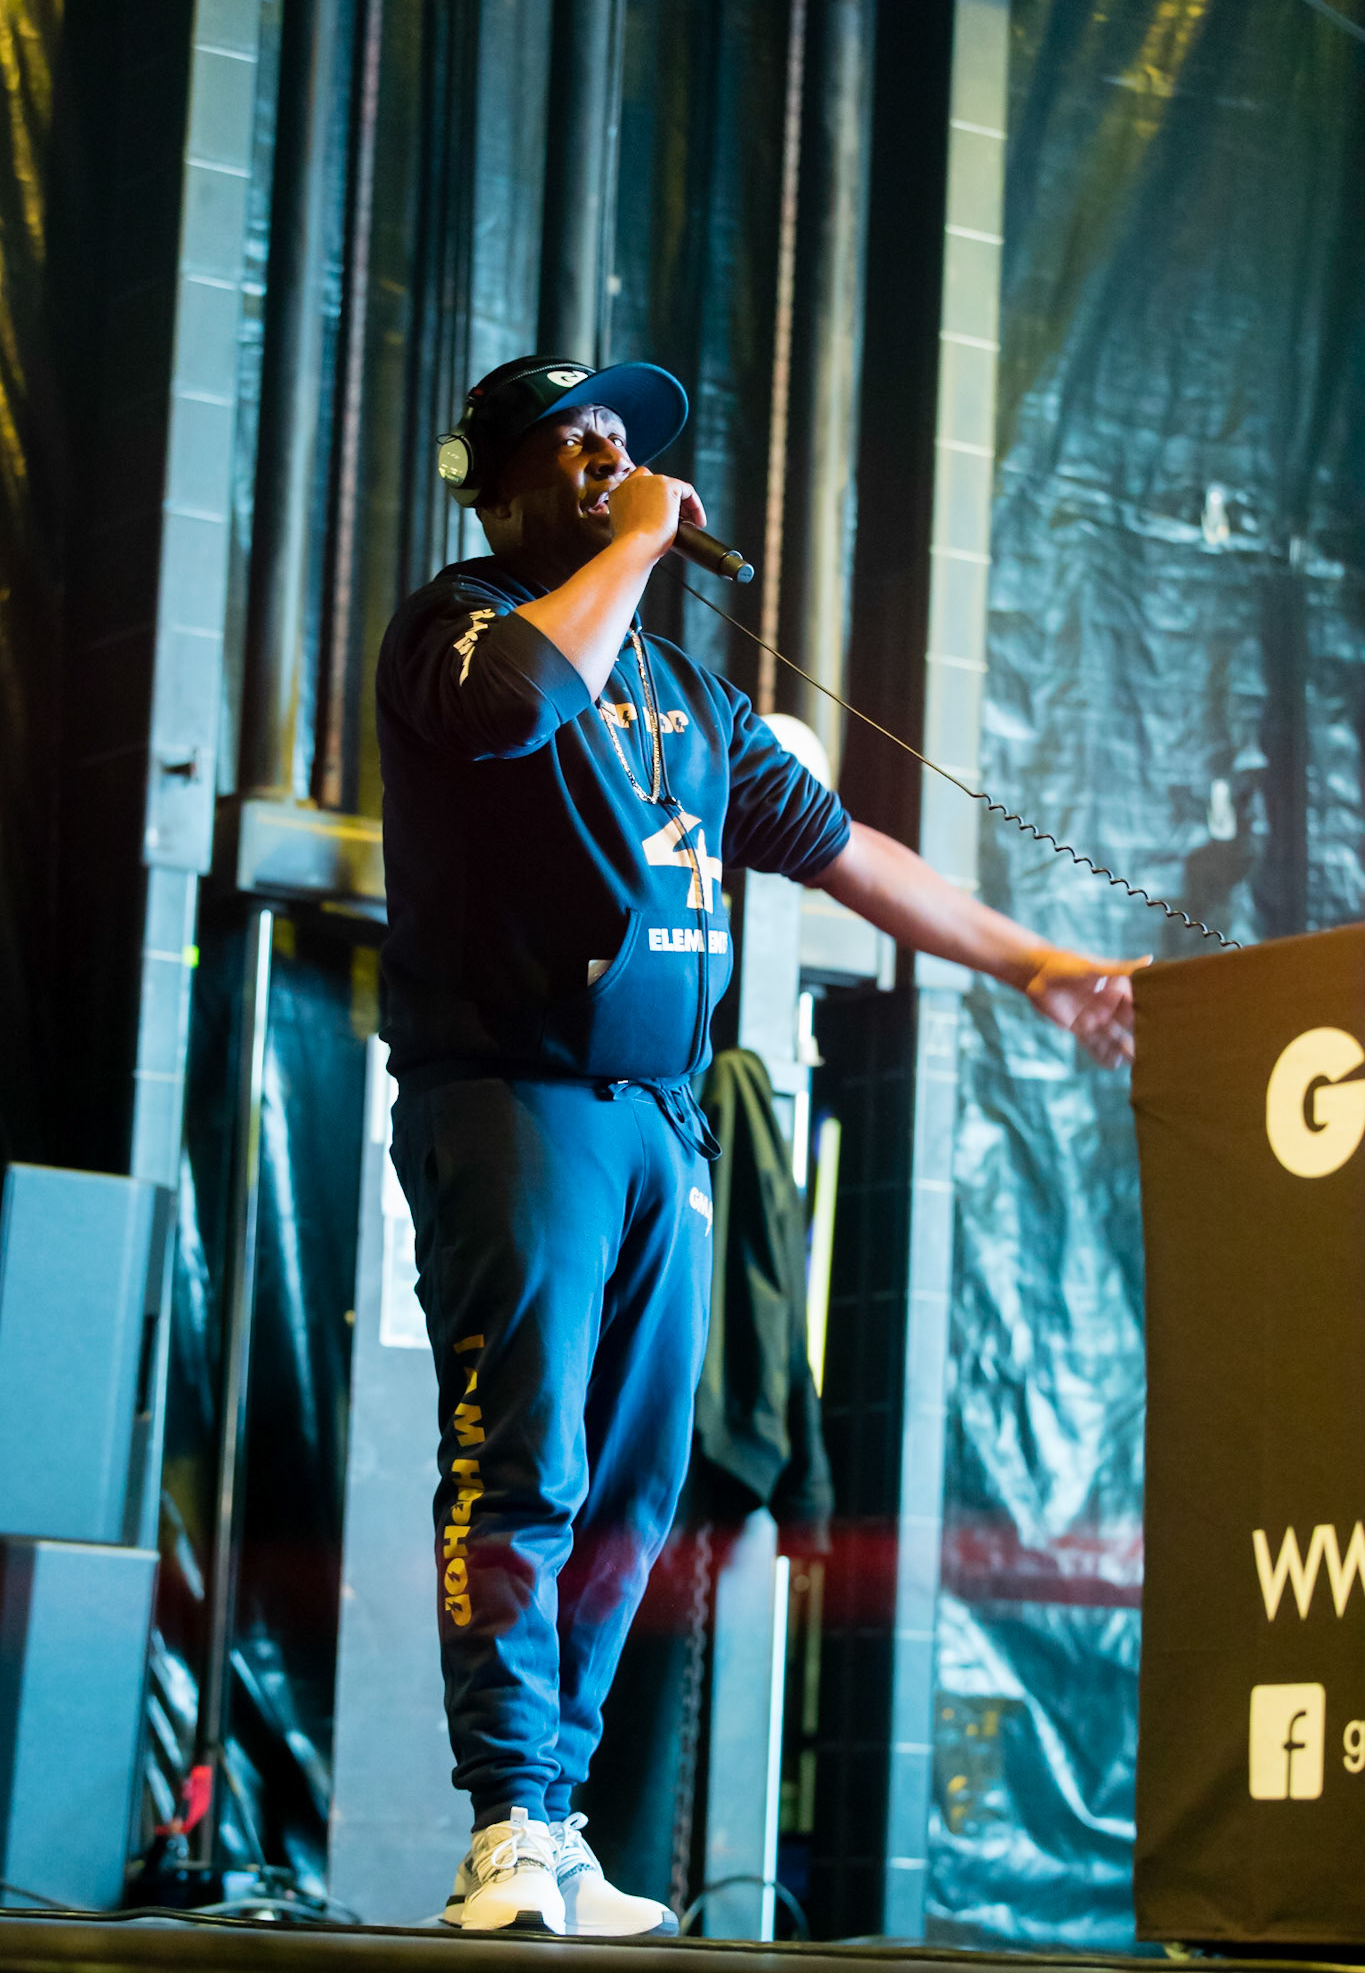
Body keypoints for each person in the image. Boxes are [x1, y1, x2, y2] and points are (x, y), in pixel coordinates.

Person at [376, 355, 1140, 1937]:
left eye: (622, 441)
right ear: (493, 487)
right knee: (520, 1463)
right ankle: (503, 1818)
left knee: (635, 1490)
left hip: (661, 1122)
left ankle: (555, 1820)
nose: (608, 459)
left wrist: (1039, 966)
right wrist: (638, 544)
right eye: (571, 442)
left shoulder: (688, 695)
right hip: (514, 1101)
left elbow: (845, 850)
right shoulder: (457, 626)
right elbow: (523, 704)